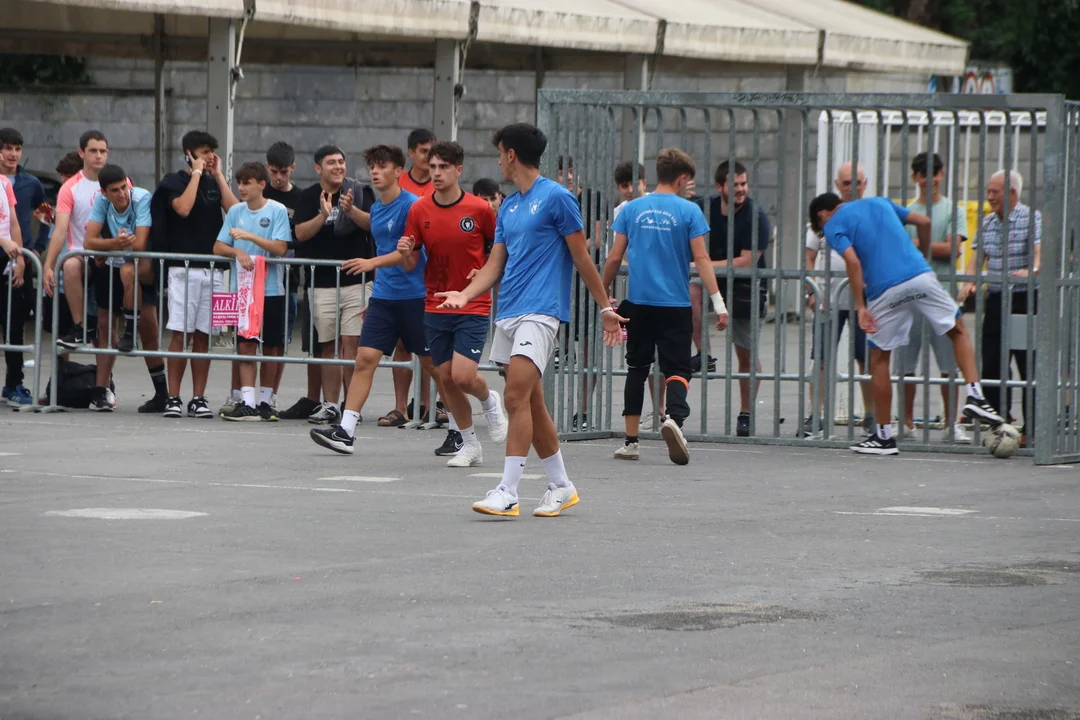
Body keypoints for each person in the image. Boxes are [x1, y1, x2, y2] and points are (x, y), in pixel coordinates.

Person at [436, 123, 624, 518]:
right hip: (509, 312)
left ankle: (508, 491)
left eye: (499, 154)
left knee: (514, 396)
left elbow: (581, 257)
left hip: (541, 312)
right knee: (532, 404)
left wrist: (605, 307)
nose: (498, 162)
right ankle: (561, 485)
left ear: (511, 154)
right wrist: (466, 294)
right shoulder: (508, 207)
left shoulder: (557, 198)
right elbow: (495, 264)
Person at [809, 192, 1004, 455]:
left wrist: (860, 307)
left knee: (879, 358)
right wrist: (923, 255)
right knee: (957, 330)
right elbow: (924, 222)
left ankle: (884, 437)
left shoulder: (832, 224)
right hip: (919, 274)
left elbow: (852, 262)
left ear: (822, 215)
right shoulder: (879, 201)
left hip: (884, 289)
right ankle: (975, 394)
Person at [602, 148, 728, 464]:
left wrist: (602, 294)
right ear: (682, 179)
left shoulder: (632, 209)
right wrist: (718, 303)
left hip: (638, 302)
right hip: (675, 303)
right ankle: (674, 418)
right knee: (678, 368)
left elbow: (614, 257)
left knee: (637, 367)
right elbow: (702, 259)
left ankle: (631, 441)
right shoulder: (689, 211)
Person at [309, 144, 434, 453]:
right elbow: (376, 224)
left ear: (398, 171)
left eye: (381, 166)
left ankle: (462, 429)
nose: (375, 172)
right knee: (365, 360)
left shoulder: (413, 206)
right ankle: (345, 431)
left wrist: (372, 263)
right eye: (372, 167)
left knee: (435, 367)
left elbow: (408, 254)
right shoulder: (378, 208)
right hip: (383, 298)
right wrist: (352, 211)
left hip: (414, 297)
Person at [399, 140, 507, 466]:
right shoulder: (418, 210)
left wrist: (483, 271)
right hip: (436, 303)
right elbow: (410, 263)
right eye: (432, 167)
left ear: (459, 170)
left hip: (472, 303)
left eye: (443, 167)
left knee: (462, 375)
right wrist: (405, 253)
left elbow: (499, 253)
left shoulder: (479, 210)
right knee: (445, 378)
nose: (436, 173)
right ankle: (470, 445)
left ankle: (489, 400)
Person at [157, 130, 238, 419]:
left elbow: (235, 211)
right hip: (183, 269)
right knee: (181, 333)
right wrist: (195, 173)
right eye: (203, 152)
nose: (209, 157)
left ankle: (198, 397)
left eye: (211, 152)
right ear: (189, 154)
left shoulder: (214, 183)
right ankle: (173, 397)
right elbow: (183, 208)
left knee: (204, 335)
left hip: (213, 270)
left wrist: (218, 176)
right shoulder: (174, 182)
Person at [293, 145, 375, 426]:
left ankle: (351, 407)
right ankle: (330, 405)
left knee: (352, 346)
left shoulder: (360, 192)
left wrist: (351, 211)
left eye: (341, 161)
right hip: (322, 284)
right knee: (327, 346)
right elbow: (300, 234)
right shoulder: (308, 197)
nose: (338, 167)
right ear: (318, 168)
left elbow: (373, 225)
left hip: (356, 282)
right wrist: (322, 214)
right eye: (331, 162)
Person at [958, 169, 1041, 444]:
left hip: (1024, 299)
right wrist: (969, 283)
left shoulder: (1031, 218)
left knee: (1028, 364)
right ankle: (1000, 423)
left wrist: (1032, 270)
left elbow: (1039, 255)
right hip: (995, 299)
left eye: (995, 192)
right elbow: (976, 260)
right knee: (992, 362)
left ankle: (1032, 429)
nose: (990, 197)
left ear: (1012, 193)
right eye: (989, 191)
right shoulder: (987, 222)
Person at [691, 161, 771, 437]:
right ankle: (705, 355)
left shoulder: (756, 217)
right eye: (734, 184)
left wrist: (703, 265)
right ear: (720, 186)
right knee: (692, 291)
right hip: (712, 278)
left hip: (746, 287)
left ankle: (745, 413)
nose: (740, 189)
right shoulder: (704, 208)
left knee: (745, 355)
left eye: (743, 184)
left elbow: (747, 261)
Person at [898, 152, 971, 443]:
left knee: (948, 364)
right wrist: (933, 246)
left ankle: (951, 423)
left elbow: (952, 251)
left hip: (943, 293)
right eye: (922, 174)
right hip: (912, 293)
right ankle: (906, 423)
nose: (928, 179)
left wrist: (916, 244)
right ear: (915, 177)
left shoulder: (954, 209)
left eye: (933, 173)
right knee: (906, 364)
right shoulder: (907, 211)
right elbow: (904, 252)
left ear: (942, 174)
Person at [83, 164, 168, 411]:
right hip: (112, 266)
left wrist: (107, 246)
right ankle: (101, 391)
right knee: (105, 328)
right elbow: (89, 241)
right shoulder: (101, 202)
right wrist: (115, 243)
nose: (122, 194)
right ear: (104, 192)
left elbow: (140, 244)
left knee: (149, 330)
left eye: (124, 187)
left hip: (140, 266)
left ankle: (161, 392)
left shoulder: (141, 197)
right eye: (115, 190)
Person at [800, 162, 874, 438]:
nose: (852, 188)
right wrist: (811, 292)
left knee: (866, 359)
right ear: (837, 185)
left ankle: (871, 416)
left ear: (865, 184)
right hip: (827, 301)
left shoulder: (870, 215)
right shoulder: (821, 218)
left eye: (857, 182)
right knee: (820, 359)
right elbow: (808, 259)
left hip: (863, 301)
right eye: (846, 183)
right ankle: (815, 416)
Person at [214, 162, 291, 422]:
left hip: (271, 289)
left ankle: (266, 401)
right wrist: (237, 250)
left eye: (247, 183)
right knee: (245, 345)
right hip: (243, 290)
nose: (242, 188)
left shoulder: (277, 210)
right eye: (239, 183)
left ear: (261, 184)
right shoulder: (235, 211)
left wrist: (249, 237)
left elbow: (280, 248)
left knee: (272, 346)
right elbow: (218, 246)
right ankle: (247, 401)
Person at [382, 128, 439, 428]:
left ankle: (428, 405)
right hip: (401, 273)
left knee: (427, 347)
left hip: (432, 273)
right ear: (411, 153)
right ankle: (400, 407)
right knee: (402, 346)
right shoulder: (398, 184)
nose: (429, 158)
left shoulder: (440, 183)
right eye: (423, 151)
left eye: (432, 152)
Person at [44, 130, 111, 349]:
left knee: (106, 331)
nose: (98, 156)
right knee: (70, 265)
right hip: (81, 255)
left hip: (112, 255)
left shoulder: (119, 181)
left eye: (103, 151)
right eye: (93, 151)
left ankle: (130, 329)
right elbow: (60, 230)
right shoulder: (69, 187)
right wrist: (49, 265)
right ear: (81, 153)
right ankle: (80, 327)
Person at [0, 127, 44, 406]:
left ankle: (14, 383)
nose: (13, 154)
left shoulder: (29, 184)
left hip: (16, 260)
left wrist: (31, 252)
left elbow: (45, 216)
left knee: (15, 324)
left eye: (17, 148)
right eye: (7, 148)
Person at [0, 173, 27, 406]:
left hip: (6, 260)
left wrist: (20, 258)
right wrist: (2, 240)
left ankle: (14, 383)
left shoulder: (5, 183)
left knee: (13, 323)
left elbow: (14, 222)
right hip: (3, 246)